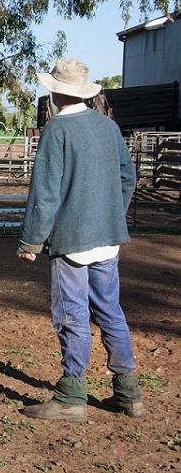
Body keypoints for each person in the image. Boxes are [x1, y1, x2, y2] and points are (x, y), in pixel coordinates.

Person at [16, 58, 142, 422]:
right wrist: (110, 214)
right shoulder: (108, 127)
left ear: (56, 92)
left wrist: (31, 242)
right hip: (108, 239)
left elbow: (46, 192)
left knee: (72, 314)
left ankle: (72, 396)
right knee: (110, 310)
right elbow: (127, 177)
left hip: (71, 240)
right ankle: (128, 392)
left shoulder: (57, 130)